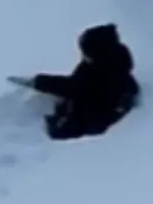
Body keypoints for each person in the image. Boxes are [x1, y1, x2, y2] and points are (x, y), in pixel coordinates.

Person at [9, 23, 139, 141]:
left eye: (86, 53)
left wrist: (39, 82)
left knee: (59, 130)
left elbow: (74, 88)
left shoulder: (107, 78)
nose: (83, 55)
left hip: (94, 120)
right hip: (89, 108)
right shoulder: (99, 65)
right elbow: (75, 84)